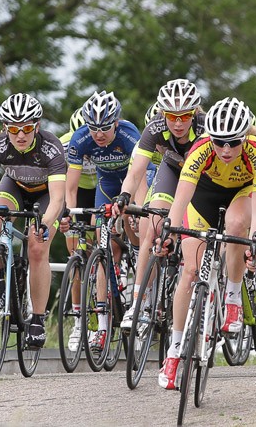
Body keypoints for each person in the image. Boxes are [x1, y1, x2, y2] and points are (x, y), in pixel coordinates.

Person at [157, 97, 256, 390]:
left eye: (233, 143)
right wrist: (168, 232)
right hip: (203, 198)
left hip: (241, 195)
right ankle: (174, 352)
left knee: (235, 224)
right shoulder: (201, 149)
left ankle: (232, 297)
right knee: (190, 272)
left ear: (244, 137)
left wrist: (254, 245)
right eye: (220, 142)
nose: (225, 149)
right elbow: (181, 197)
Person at [0, 93, 66, 349]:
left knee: (37, 246)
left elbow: (59, 199)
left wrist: (45, 224)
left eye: (27, 128)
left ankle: (38, 319)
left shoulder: (51, 147)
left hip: (46, 195)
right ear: (6, 127)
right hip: (15, 187)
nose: (20, 135)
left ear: (36, 127)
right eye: (14, 129)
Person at [113, 79, 205, 329]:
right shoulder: (154, 127)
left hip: (203, 179)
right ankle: (138, 302)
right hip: (173, 170)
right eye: (171, 116)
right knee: (152, 228)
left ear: (194, 112)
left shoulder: (206, 128)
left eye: (184, 116)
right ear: (163, 113)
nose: (177, 123)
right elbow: (136, 171)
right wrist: (124, 196)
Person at [64, 89, 141, 353]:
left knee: (135, 220)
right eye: (94, 127)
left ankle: (140, 256)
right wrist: (69, 215)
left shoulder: (129, 134)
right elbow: (71, 187)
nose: (99, 134)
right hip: (106, 183)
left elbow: (140, 172)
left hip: (134, 179)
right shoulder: (80, 138)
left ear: (116, 122)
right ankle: (103, 326)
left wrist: (135, 208)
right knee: (102, 247)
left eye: (105, 128)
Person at [58, 107, 97, 352]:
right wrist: (67, 216)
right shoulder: (64, 145)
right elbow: (62, 185)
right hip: (78, 191)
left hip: (104, 187)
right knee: (76, 255)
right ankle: (79, 321)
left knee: (107, 243)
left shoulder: (105, 140)